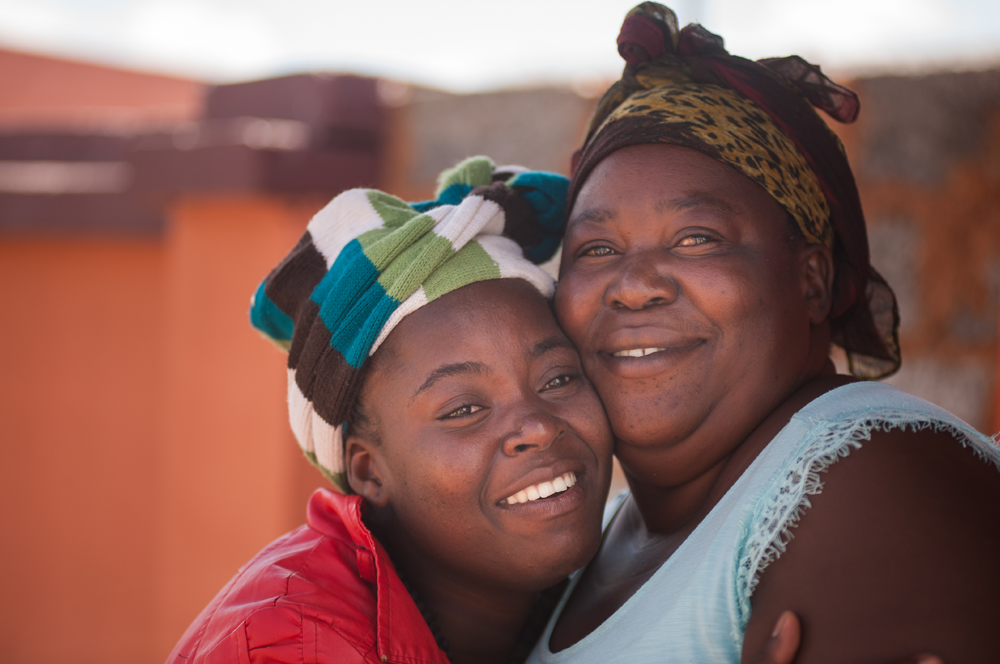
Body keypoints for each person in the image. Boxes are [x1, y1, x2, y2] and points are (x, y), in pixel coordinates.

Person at [165, 156, 819, 664]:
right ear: (368, 472)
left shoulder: (569, 597)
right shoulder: (290, 640)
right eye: (464, 409)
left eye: (559, 377)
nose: (535, 425)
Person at [526, 4, 1000, 663]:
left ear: (812, 281)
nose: (633, 285)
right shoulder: (600, 531)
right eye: (596, 249)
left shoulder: (862, 482)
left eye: (697, 238)